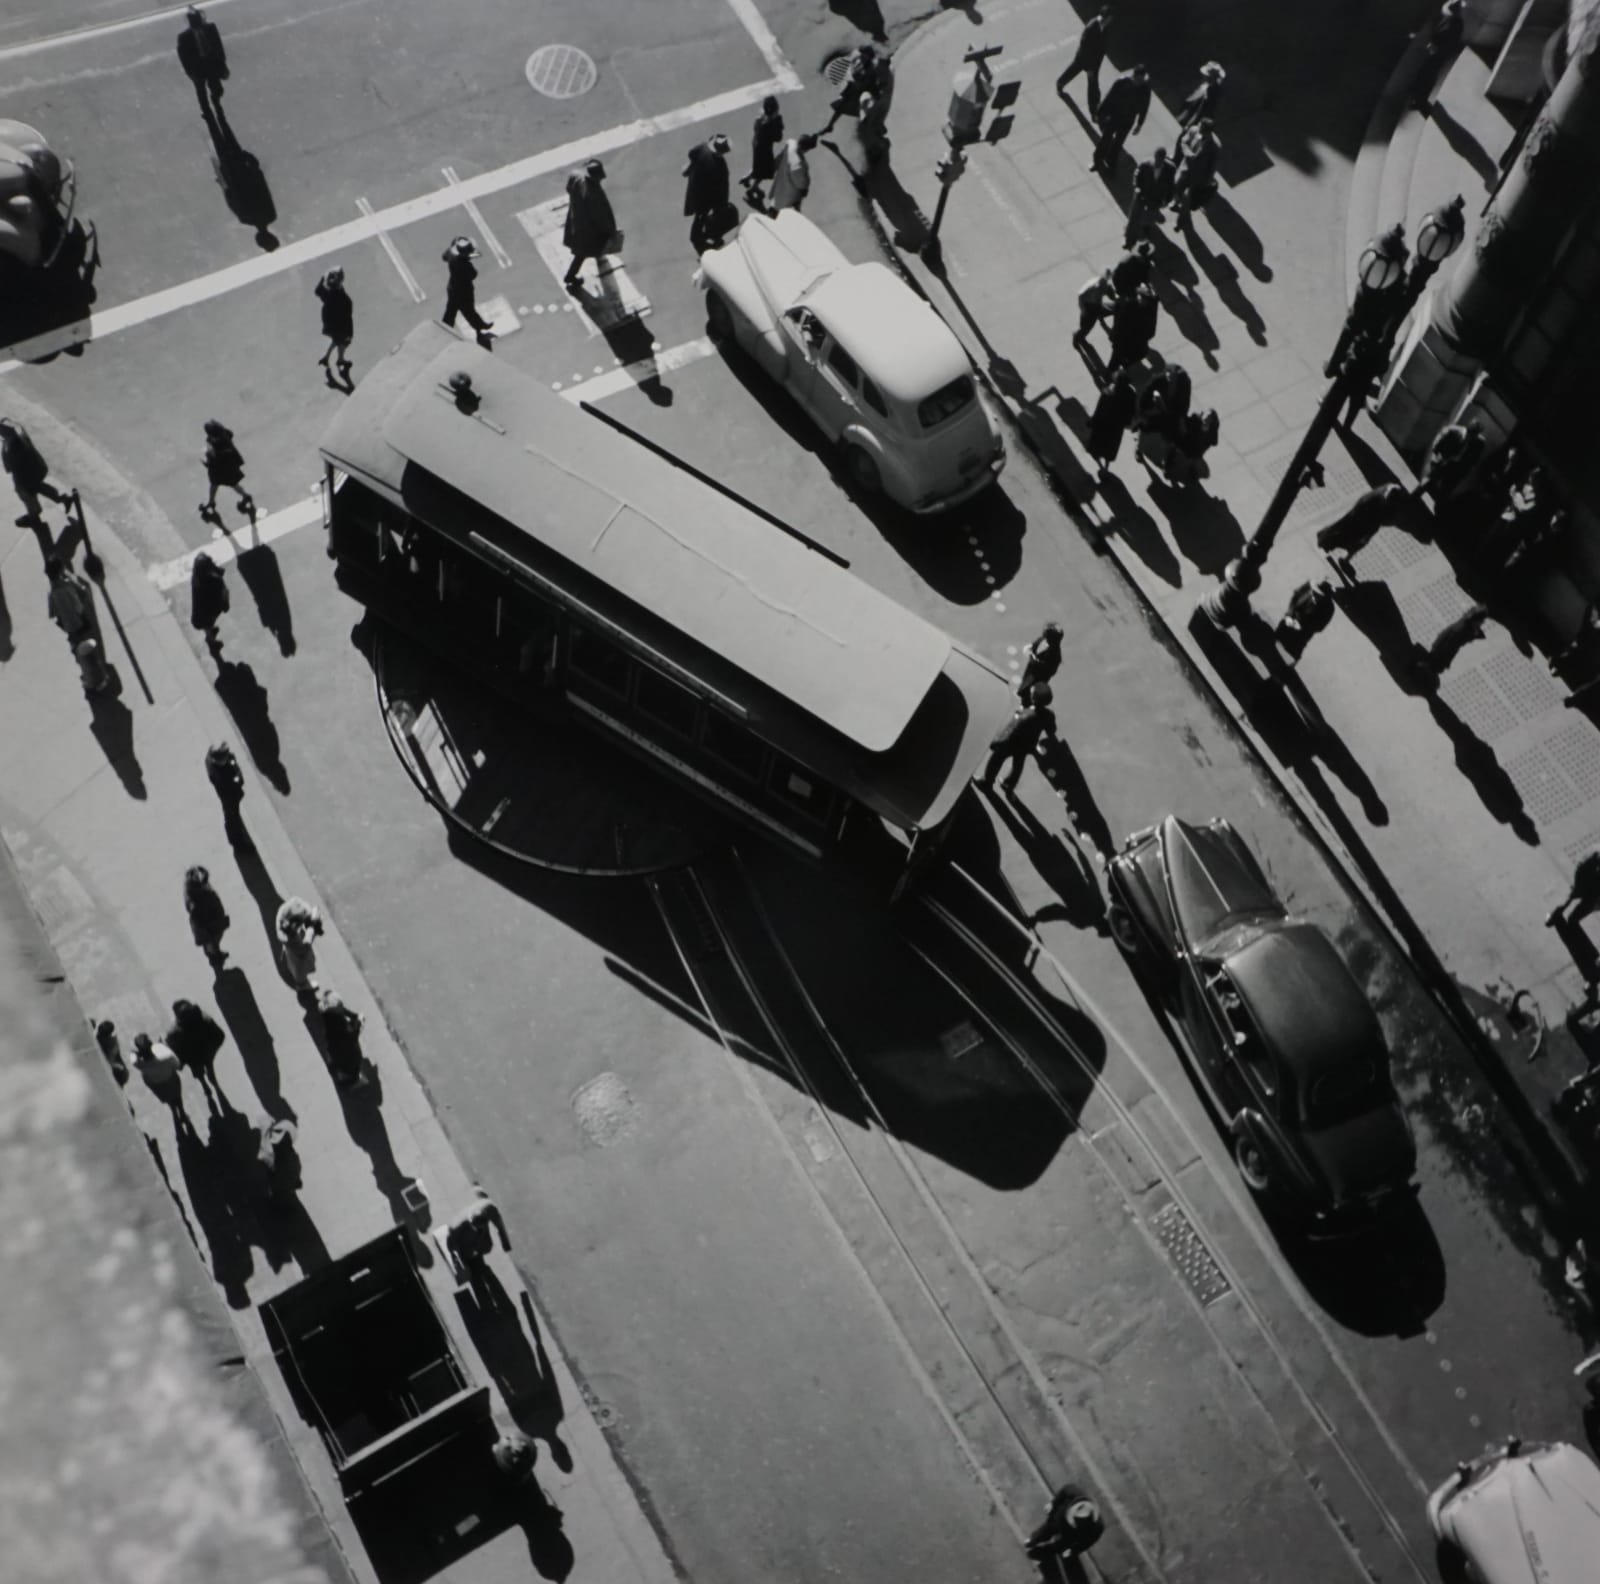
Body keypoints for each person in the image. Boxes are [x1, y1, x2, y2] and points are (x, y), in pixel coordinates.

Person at [1316, 482, 1408, 578]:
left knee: (1344, 531)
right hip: (1364, 523)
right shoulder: (1383, 501)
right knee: (1352, 540)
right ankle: (1335, 550)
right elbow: (1380, 520)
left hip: (1361, 517)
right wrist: (1367, 535)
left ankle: (1330, 544)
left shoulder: (1387, 491)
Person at [2, 417, 74, 528]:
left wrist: (4, 452)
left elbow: (9, 468)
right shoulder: (21, 433)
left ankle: (34, 516)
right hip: (37, 469)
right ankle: (63, 498)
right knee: (39, 486)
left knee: (26, 494)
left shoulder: (9, 448)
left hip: (24, 478)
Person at [978, 686, 1053, 793]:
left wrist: (997, 741)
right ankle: (1008, 784)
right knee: (1018, 765)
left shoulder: (1026, 714)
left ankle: (987, 781)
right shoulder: (1049, 715)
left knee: (996, 759)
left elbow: (1012, 729)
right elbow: (1051, 729)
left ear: (1034, 699)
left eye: (1032, 694)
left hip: (1011, 743)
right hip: (1027, 745)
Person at [562, 159, 617, 290]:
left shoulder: (575, 175)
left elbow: (569, 189)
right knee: (581, 253)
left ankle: (597, 255)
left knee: (582, 250)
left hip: (576, 218)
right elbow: (601, 219)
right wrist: (611, 232)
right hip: (586, 230)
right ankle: (570, 276)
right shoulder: (593, 194)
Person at [444, 1187, 512, 1285]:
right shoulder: (456, 1226)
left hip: (475, 1229)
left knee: (487, 1246)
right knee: (468, 1252)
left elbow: (499, 1224)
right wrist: (457, 1259)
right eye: (476, 1227)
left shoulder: (490, 1208)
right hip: (462, 1236)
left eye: (481, 1226)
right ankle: (468, 1253)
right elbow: (450, 1243)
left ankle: (475, 1250)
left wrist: (505, 1242)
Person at [1025, 1482, 1105, 1562]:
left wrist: (1073, 1551)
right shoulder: (1076, 1492)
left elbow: (1086, 1543)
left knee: (1058, 1546)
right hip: (1059, 1518)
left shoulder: (1097, 1528)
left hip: (1071, 1536)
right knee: (1045, 1530)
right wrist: (1052, 1503)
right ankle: (1033, 1540)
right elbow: (1065, 1490)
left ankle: (1042, 1553)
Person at [1410, 0, 1466, 113]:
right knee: (1427, 75)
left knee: (1427, 75)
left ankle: (1420, 100)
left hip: (1439, 53)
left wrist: (1434, 45)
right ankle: (1420, 100)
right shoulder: (1455, 21)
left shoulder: (1454, 22)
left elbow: (1447, 38)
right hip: (1438, 52)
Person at [1092, 65, 1150, 173]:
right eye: (1138, 80)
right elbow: (1109, 97)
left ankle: (1111, 164)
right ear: (1134, 76)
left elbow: (1145, 106)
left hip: (1128, 120)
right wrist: (1100, 113)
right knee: (1106, 139)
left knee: (1118, 143)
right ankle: (1097, 160)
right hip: (1116, 115)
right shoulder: (1121, 82)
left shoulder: (1145, 89)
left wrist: (1139, 123)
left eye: (1142, 80)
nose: (1139, 83)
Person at [168, 998, 226, 1105]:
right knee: (209, 1066)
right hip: (207, 1052)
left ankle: (205, 1086)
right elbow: (219, 1035)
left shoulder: (175, 1033)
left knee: (199, 1074)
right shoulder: (204, 1018)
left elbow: (175, 1051)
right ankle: (214, 1082)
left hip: (193, 1059)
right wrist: (213, 1048)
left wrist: (180, 1063)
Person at [176, 5, 228, 122]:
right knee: (201, 91)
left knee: (217, 89)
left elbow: (218, 45)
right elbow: (183, 56)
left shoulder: (210, 28)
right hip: (197, 67)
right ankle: (207, 111)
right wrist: (190, 72)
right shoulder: (184, 37)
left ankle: (215, 100)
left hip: (211, 62)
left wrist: (222, 61)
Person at [683, 134, 733, 255]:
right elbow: (722, 186)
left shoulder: (702, 147)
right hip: (707, 196)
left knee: (700, 213)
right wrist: (723, 202)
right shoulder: (720, 164)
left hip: (695, 187)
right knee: (702, 215)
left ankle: (698, 234)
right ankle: (696, 236)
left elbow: (691, 153)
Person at [1416, 419, 1485, 505]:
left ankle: (1437, 510)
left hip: (1458, 468)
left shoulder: (1479, 444)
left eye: (1474, 434)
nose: (1471, 436)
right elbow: (1439, 441)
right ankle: (1415, 495)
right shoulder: (1455, 431)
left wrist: (1465, 471)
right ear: (1468, 428)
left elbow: (1473, 460)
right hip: (1445, 461)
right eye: (1471, 432)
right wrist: (1436, 455)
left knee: (1446, 490)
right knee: (1430, 479)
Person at [1055, 8, 1110, 115]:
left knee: (1093, 85)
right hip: (1085, 59)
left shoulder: (1104, 26)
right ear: (1105, 17)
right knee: (1078, 74)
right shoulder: (1092, 27)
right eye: (1110, 19)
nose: (1111, 21)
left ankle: (1094, 109)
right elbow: (1085, 48)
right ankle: (1060, 82)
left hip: (1095, 61)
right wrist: (1090, 68)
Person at [441, 237, 494, 346]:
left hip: (453, 288)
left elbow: (469, 255)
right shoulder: (462, 263)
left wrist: (469, 256)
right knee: (468, 311)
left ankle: (444, 328)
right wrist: (470, 256)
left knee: (451, 310)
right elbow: (473, 274)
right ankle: (480, 327)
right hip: (463, 291)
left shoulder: (452, 257)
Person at [131, 1032, 190, 1127]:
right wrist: (162, 1046)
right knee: (177, 1097)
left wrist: (136, 1053)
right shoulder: (163, 1053)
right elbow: (178, 1066)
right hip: (171, 1079)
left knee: (169, 1099)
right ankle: (182, 1112)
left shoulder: (139, 1064)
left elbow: (133, 1057)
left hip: (156, 1084)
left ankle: (174, 1111)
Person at [200, 419, 254, 521]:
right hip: (229, 467)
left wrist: (207, 460)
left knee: (215, 484)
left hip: (220, 469)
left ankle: (211, 502)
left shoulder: (216, 444)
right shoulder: (224, 435)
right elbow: (230, 435)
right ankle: (245, 496)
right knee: (231, 484)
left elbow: (214, 458)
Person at [314, 985, 367, 1089]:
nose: (342, 1005)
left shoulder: (327, 1016)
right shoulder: (341, 1028)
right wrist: (359, 1022)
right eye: (339, 1005)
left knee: (335, 1055)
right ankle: (352, 1081)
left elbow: (343, 1010)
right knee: (354, 1060)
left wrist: (355, 1016)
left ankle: (336, 1066)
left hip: (333, 1049)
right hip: (345, 1056)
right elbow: (352, 1036)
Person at [1274, 579, 1337, 663]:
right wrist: (1289, 616)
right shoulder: (1309, 592)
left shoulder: (1329, 608)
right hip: (1285, 627)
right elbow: (1294, 602)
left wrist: (1301, 625)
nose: (1316, 595)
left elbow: (1320, 627)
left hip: (1300, 636)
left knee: (1288, 656)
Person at [1086, 368, 1137, 471]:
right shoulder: (1131, 394)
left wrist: (1092, 422)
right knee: (1110, 449)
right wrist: (1126, 423)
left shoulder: (1108, 392)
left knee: (1097, 447)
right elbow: (1132, 412)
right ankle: (1106, 467)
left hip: (1103, 424)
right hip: (1116, 428)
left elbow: (1099, 410)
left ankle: (1100, 466)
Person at [1171, 118, 1221, 221]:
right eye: (1199, 128)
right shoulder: (1194, 130)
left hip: (1199, 174)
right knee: (1178, 185)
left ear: (1209, 132)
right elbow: (1184, 142)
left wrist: (1208, 179)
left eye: (1202, 130)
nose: (1199, 132)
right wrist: (1189, 154)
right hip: (1186, 167)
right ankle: (1175, 202)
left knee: (1190, 196)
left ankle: (1183, 217)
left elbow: (1212, 165)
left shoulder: (1215, 146)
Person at [1107, 282, 1159, 374]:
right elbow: (1151, 331)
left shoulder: (1128, 306)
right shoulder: (1149, 310)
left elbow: (1118, 323)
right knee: (1126, 362)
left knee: (1116, 361)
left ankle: (1110, 375)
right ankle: (1119, 372)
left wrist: (1114, 336)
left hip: (1124, 343)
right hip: (1136, 346)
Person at [1126, 148, 1175, 244]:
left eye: (1159, 160)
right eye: (1156, 159)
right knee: (1134, 216)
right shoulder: (1145, 164)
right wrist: (1136, 187)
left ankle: (1145, 234)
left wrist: (1167, 200)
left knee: (1149, 217)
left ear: (1164, 159)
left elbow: (1171, 185)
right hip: (1142, 195)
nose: (1157, 162)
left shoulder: (1170, 169)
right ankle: (1129, 239)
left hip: (1155, 198)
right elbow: (1136, 175)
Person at [184, 864, 230, 964]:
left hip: (211, 917)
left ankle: (214, 954)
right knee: (211, 940)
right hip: (206, 920)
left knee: (214, 938)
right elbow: (193, 910)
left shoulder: (200, 888)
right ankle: (214, 957)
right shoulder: (194, 893)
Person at [743, 96, 784, 205]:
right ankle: (753, 188)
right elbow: (778, 138)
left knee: (758, 166)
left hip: (757, 145)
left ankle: (747, 178)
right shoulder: (771, 124)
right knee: (765, 170)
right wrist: (778, 124)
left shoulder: (760, 118)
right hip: (765, 150)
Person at [276, 897, 324, 990]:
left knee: (290, 958)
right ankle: (302, 985)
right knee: (300, 970)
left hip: (292, 948)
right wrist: (311, 930)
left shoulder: (284, 912)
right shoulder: (290, 938)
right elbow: (303, 950)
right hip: (298, 955)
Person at [315, 268, 354, 381]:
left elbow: (317, 290)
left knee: (336, 340)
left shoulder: (327, 293)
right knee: (343, 340)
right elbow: (346, 310)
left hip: (331, 323)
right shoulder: (337, 294)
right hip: (340, 324)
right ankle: (340, 360)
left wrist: (323, 277)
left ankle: (326, 358)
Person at [1548, 851, 1600, 928]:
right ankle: (1566, 918)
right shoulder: (1593, 859)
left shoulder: (1593, 858)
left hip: (1590, 888)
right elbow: (1581, 868)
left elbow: (1580, 868)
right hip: (1588, 886)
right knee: (1581, 903)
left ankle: (1562, 917)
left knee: (1576, 901)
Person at [189, 550, 229, 648]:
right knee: (208, 624)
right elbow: (224, 593)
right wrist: (226, 604)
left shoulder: (196, 579)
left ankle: (209, 633)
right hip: (209, 613)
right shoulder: (215, 581)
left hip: (198, 614)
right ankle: (211, 642)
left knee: (206, 623)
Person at [768, 133, 816, 213]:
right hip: (788, 198)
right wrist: (805, 188)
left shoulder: (791, 144)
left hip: (780, 187)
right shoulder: (797, 164)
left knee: (775, 204)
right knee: (781, 214)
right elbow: (801, 184)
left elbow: (779, 157)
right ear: (805, 148)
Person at [1073, 268, 1117, 351]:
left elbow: (1111, 295)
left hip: (1097, 305)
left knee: (1114, 308)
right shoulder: (1094, 286)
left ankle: (1100, 317)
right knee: (1086, 328)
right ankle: (1077, 338)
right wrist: (1083, 310)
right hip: (1089, 309)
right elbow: (1080, 296)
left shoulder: (1104, 284)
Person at [1019, 622, 1063, 694]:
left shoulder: (1054, 654)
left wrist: (1032, 658)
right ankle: (1022, 694)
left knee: (1030, 690)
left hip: (1039, 676)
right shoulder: (1042, 640)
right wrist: (1031, 647)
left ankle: (1027, 701)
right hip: (1031, 669)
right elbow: (1035, 644)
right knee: (1024, 683)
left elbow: (1050, 669)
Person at [1179, 62, 1225, 129]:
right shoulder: (1207, 88)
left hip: (1189, 121)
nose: (1202, 76)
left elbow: (1193, 107)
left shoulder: (1205, 89)